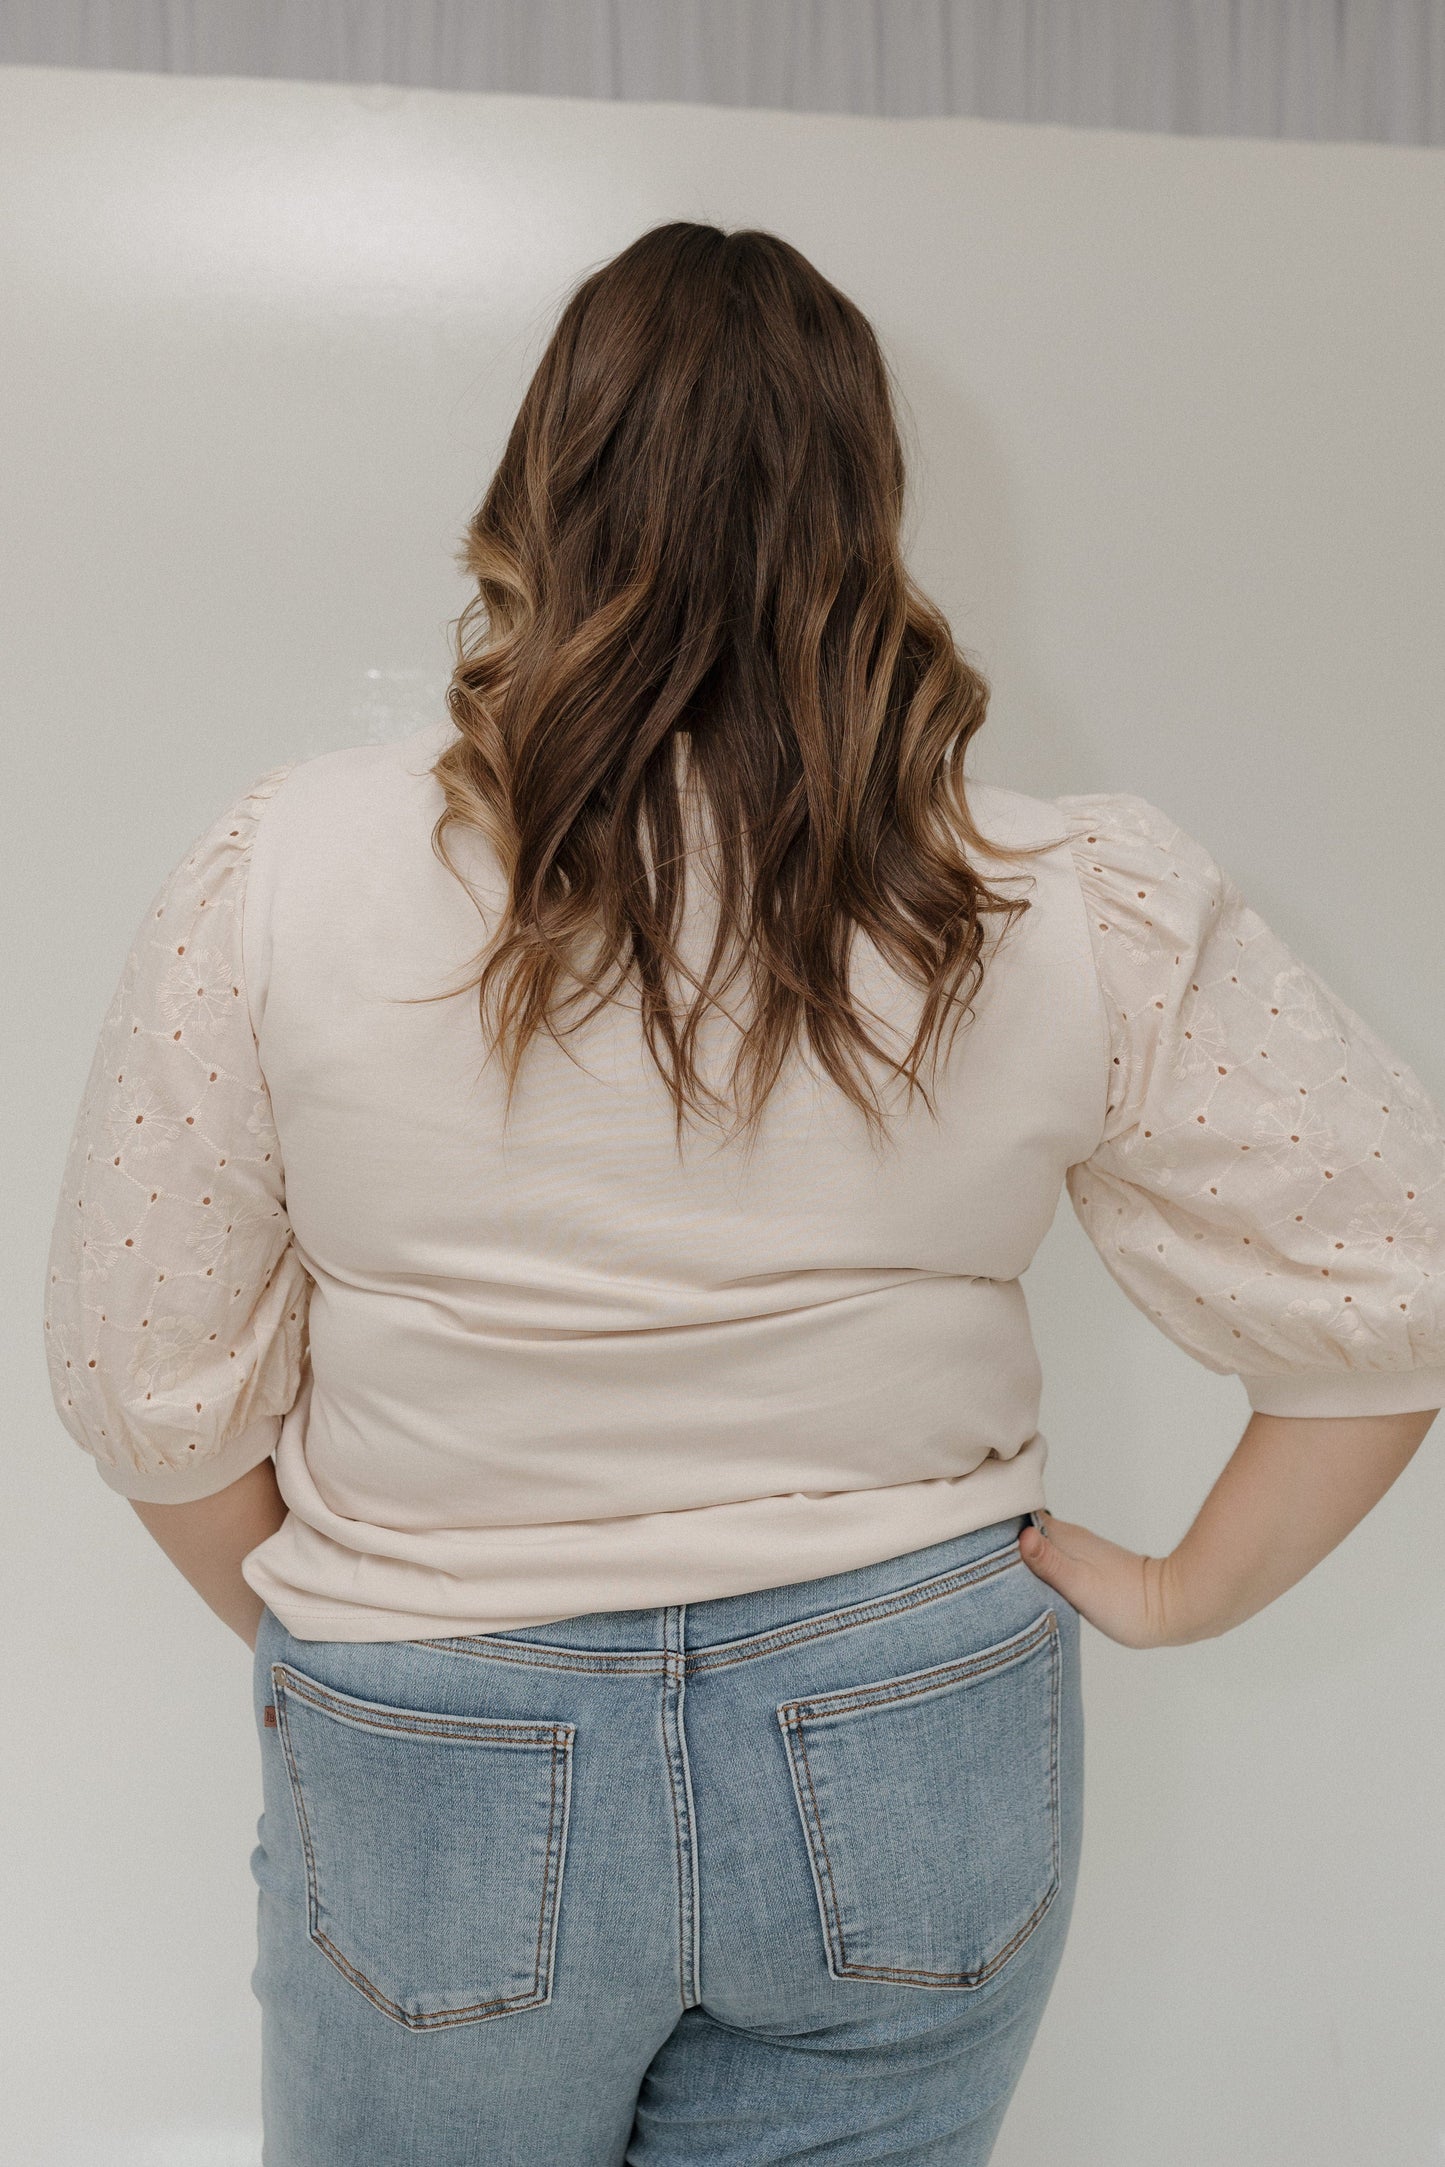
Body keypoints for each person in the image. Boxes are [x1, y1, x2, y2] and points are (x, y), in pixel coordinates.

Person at [43, 222, 1443, 2167]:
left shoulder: (284, 872)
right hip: (912, 1719)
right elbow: (1397, 1283)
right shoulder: (1043, 893)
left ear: (545, 484)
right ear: (865, 508)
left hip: (442, 1730)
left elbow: (143, 1380)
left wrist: (378, 1633)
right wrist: (1183, 1593)